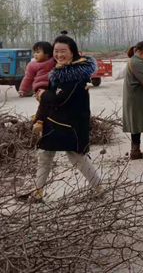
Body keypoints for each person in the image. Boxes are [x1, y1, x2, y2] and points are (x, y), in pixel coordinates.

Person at [18, 33, 101, 202]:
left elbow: (60, 99)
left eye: (63, 51)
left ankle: (98, 187)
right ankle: (38, 191)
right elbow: (50, 98)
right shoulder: (58, 71)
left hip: (71, 125)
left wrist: (43, 95)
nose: (59, 55)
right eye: (56, 51)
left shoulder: (75, 76)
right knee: (44, 154)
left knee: (76, 156)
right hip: (55, 122)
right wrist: (39, 119)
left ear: (73, 52)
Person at [18, 41, 56, 135]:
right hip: (40, 87)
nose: (35, 54)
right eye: (34, 52)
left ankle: (47, 123)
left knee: (51, 107)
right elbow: (28, 78)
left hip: (52, 86)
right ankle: (37, 122)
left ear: (47, 54)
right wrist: (23, 90)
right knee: (43, 104)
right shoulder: (32, 65)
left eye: (38, 52)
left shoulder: (53, 61)